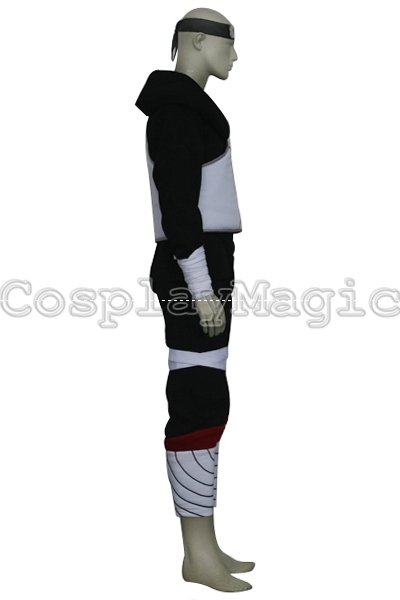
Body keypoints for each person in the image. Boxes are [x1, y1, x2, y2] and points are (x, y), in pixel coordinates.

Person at [135, 7, 255, 592]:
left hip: (205, 263)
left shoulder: (187, 110)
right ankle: (196, 554)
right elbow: (179, 207)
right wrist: (201, 287)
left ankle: (204, 545)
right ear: (199, 41)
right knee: (196, 399)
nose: (236, 55)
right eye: (230, 43)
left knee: (207, 395)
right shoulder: (177, 113)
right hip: (194, 268)